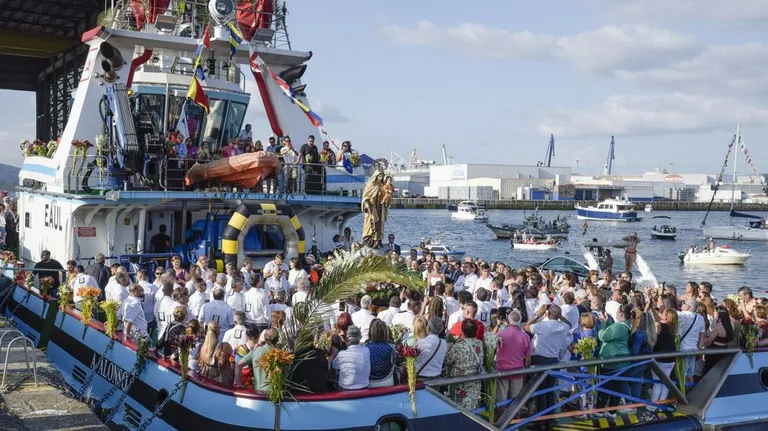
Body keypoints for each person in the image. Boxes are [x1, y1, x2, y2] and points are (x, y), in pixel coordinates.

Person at [332, 326, 370, 390]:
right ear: (360, 338)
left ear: (347, 338)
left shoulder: (341, 354)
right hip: (364, 387)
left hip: (345, 389)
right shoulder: (366, 350)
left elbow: (334, 365)